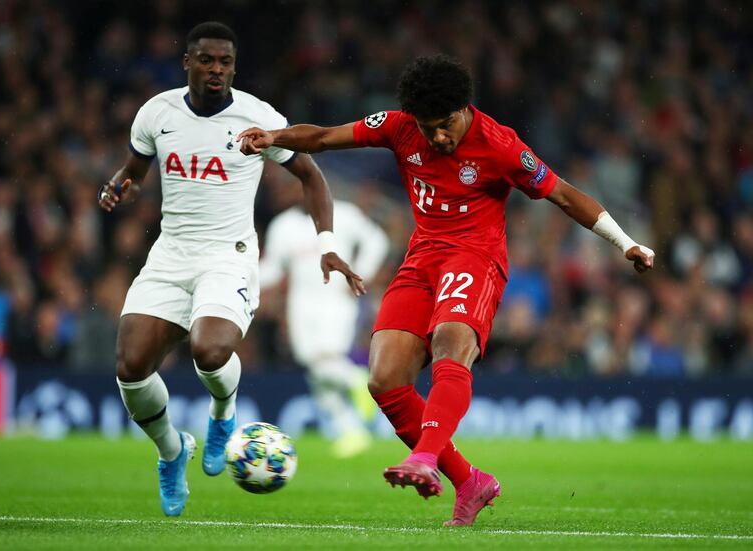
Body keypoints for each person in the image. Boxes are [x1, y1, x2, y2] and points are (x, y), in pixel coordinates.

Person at [238, 55, 655, 526]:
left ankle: (425, 457)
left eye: (445, 125)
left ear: (464, 108)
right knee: (384, 378)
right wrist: (275, 138)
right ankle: (471, 481)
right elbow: (325, 137)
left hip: (475, 259)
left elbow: (563, 194)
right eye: (427, 127)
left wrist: (626, 243)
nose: (436, 137)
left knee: (449, 346)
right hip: (421, 261)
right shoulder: (399, 128)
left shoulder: (501, 147)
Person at [98, 21, 363, 517]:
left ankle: (223, 416)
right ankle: (172, 453)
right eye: (206, 60)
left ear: (234, 68)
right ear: (188, 63)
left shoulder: (257, 117)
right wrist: (119, 185)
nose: (216, 69)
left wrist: (325, 242)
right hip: (171, 251)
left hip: (229, 254)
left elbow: (311, 173)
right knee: (130, 370)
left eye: (224, 62)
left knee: (210, 349)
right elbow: (135, 168)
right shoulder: (157, 113)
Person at [260, 187, 389, 458]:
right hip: (301, 305)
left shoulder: (343, 214)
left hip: (337, 299)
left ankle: (356, 380)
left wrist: (361, 273)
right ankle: (351, 431)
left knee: (325, 359)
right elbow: (272, 269)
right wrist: (244, 280)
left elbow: (377, 240)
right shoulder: (283, 225)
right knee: (314, 367)